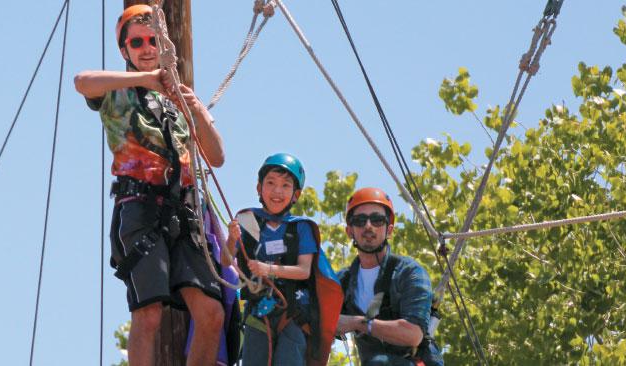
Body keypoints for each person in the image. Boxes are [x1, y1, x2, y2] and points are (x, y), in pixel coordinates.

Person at [74, 5, 227, 366]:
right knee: (150, 312)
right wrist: (145, 79)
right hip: (141, 207)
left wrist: (198, 110)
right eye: (137, 42)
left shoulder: (179, 101)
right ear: (125, 50)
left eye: (153, 41)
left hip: (184, 213)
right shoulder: (116, 90)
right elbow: (82, 81)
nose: (146, 48)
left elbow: (216, 157)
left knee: (211, 313)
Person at [222, 153, 342, 366]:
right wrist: (231, 240)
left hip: (293, 313)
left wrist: (267, 269)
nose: (277, 191)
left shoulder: (301, 227)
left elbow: (304, 270)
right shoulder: (247, 220)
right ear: (259, 188)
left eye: (285, 186)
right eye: (271, 183)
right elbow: (225, 261)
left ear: (296, 194)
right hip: (258, 311)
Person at [336, 188, 444, 366]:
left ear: (389, 230)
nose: (368, 226)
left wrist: (358, 323)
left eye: (377, 220)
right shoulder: (343, 282)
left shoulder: (409, 273)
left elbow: (413, 334)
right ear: (349, 231)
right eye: (360, 220)